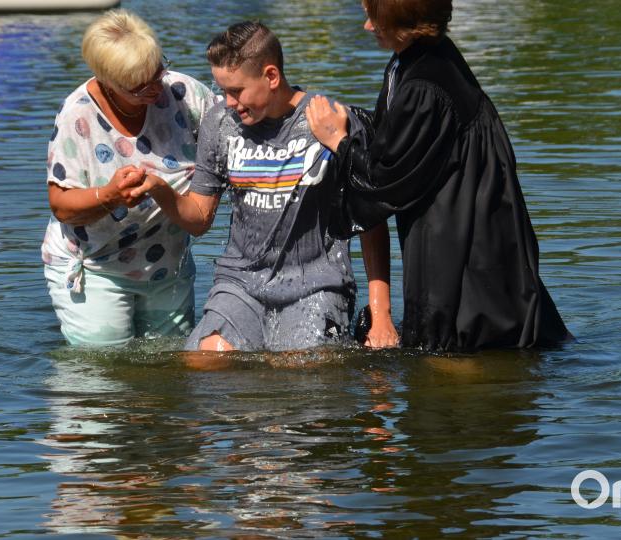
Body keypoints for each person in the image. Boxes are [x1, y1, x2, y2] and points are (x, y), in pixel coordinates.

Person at [305, 0, 571, 352]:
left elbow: (385, 181)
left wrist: (338, 139)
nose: (367, 27)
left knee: (460, 349)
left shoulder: (425, 85)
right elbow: (399, 146)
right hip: (475, 226)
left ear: (406, 24)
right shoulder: (424, 60)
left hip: (464, 238)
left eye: (376, 18)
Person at [130, 21, 398, 352]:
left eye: (235, 91)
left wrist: (381, 313)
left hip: (317, 287)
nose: (227, 102)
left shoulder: (331, 121)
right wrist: (158, 188)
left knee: (296, 373)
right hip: (241, 285)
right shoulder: (220, 124)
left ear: (271, 77)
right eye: (222, 90)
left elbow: (371, 218)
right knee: (205, 359)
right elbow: (199, 219)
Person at [42, 9, 215, 346]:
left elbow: (235, 133)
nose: (154, 89)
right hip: (96, 265)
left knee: (168, 372)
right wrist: (111, 195)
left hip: (167, 262)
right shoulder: (77, 115)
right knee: (102, 373)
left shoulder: (182, 94)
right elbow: (60, 205)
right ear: (109, 82)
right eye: (139, 85)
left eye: (157, 71)